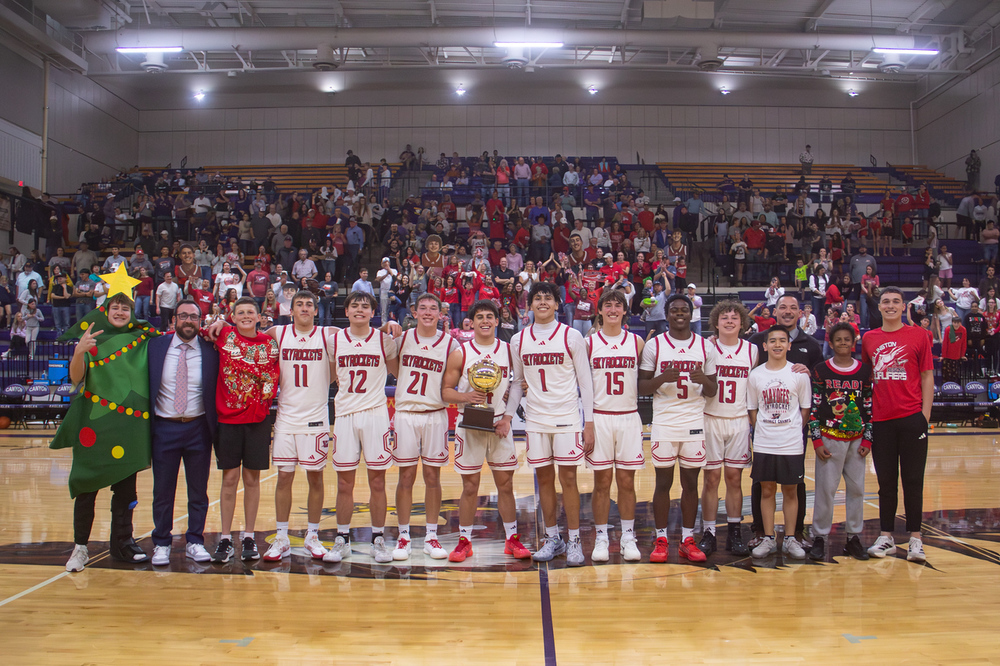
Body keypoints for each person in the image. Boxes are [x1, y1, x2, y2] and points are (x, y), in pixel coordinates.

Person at [57, 289, 155, 572]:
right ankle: (80, 547)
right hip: (95, 426)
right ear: (106, 310)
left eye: (126, 308)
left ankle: (122, 543)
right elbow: (76, 378)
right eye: (116, 307)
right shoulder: (92, 339)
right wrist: (79, 351)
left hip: (128, 428)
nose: (121, 312)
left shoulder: (143, 339)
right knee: (87, 487)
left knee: (126, 492)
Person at [505, 282, 595, 566]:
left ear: (557, 304)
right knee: (543, 480)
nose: (542, 302)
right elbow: (518, 384)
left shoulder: (571, 336)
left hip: (567, 417)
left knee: (568, 479)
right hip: (535, 420)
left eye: (548, 298)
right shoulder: (518, 340)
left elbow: (586, 383)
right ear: (529, 305)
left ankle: (574, 540)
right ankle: (552, 538)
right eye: (537, 298)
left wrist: (588, 422)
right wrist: (508, 415)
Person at [442, 299, 532, 562]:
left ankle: (512, 539)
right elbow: (446, 391)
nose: (484, 321)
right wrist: (466, 396)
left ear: (496, 320)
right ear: (471, 322)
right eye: (479, 316)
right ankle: (465, 541)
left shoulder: (507, 349)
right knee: (470, 486)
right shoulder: (461, 352)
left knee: (505, 485)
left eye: (489, 316)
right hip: (469, 425)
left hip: (498, 426)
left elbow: (517, 384)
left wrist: (507, 417)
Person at [639, 294, 718, 563]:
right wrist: (663, 378)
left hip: (693, 422)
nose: (680, 314)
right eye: (675, 310)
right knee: (663, 483)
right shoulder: (655, 346)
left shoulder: (706, 346)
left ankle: (687, 538)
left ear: (691, 313)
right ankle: (661, 539)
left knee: (690, 484)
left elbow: (713, 390)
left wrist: (703, 379)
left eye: (684, 310)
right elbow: (641, 387)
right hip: (664, 422)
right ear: (667, 313)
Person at [324, 290, 399, 564]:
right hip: (344, 415)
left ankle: (378, 539)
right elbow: (330, 377)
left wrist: (397, 334)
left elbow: (399, 373)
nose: (359, 309)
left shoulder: (384, 341)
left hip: (375, 414)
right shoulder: (335, 341)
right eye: (354, 306)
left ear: (372, 313)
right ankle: (342, 538)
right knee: (344, 483)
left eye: (364, 306)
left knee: (377, 481)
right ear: (346, 312)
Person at [862, 287, 934, 562]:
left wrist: (924, 416)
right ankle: (886, 537)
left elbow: (927, 376)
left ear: (904, 306)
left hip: (911, 418)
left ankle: (916, 538)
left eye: (895, 301)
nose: (890, 306)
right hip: (881, 421)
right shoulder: (869, 338)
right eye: (885, 302)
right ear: (879, 307)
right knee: (886, 482)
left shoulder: (919, 335)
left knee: (913, 480)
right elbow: (868, 379)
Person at [147, 299, 219, 566]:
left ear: (201, 322)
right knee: (162, 490)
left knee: (198, 491)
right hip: (164, 426)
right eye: (184, 316)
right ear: (173, 320)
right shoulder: (155, 347)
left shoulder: (211, 350)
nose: (189, 321)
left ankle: (195, 541)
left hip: (198, 427)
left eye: (194, 317)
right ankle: (162, 543)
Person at [747, 295, 823, 549]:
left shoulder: (810, 344)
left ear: (800, 313)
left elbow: (818, 381)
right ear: (775, 311)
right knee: (762, 483)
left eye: (793, 308)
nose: (788, 311)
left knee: (795, 484)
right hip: (766, 430)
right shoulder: (757, 342)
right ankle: (761, 532)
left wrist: (810, 373)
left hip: (792, 430)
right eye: (783, 307)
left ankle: (796, 532)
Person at [209, 297, 279, 563]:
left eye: (251, 312)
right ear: (233, 316)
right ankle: (225, 538)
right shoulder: (223, 334)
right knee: (229, 480)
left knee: (252, 480)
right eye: (241, 312)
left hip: (258, 421)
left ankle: (249, 536)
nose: (246, 316)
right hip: (228, 421)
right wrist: (217, 322)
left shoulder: (270, 343)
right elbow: (201, 330)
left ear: (259, 317)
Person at [390, 293, 457, 561]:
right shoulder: (402, 339)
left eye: (433, 309)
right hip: (406, 413)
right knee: (405, 478)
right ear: (414, 313)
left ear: (441, 314)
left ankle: (431, 536)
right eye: (423, 308)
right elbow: (394, 368)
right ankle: (403, 535)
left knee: (433, 478)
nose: (428, 312)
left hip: (435, 414)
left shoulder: (450, 343)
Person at [587, 290, 644, 562]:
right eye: (607, 305)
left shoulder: (637, 342)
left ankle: (628, 536)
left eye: (617, 305)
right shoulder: (589, 343)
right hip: (600, 417)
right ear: (599, 311)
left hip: (629, 416)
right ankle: (601, 537)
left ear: (624, 310)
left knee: (626, 482)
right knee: (602, 483)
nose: (612, 309)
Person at [807, 322, 873, 561]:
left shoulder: (865, 371)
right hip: (829, 438)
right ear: (831, 343)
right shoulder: (821, 370)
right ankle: (819, 537)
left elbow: (869, 406)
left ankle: (854, 537)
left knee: (856, 490)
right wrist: (816, 441)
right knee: (825, 490)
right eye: (839, 340)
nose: (843, 343)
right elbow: (814, 407)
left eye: (847, 339)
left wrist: (868, 439)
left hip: (857, 441)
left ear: (854, 342)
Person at [700, 301, 757, 557]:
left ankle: (734, 530)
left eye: (735, 317)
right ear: (716, 323)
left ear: (742, 324)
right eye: (725, 317)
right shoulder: (707, 347)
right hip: (710, 418)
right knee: (711, 479)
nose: (730, 321)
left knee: (734, 478)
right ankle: (709, 532)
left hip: (738, 420)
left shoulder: (752, 350)